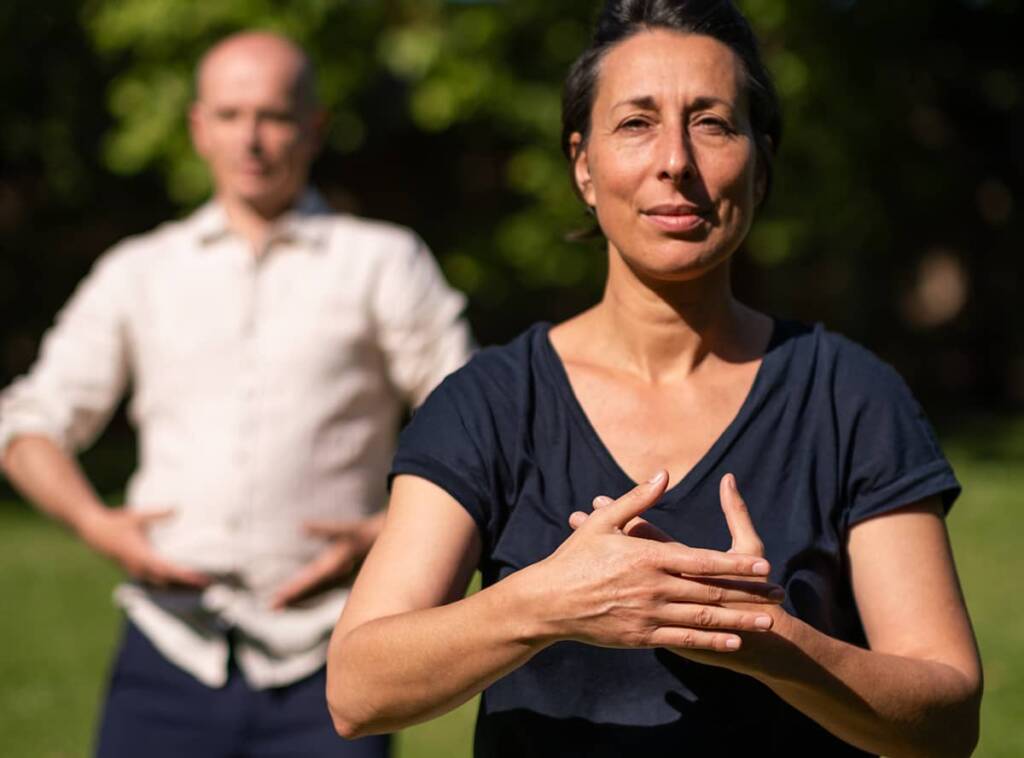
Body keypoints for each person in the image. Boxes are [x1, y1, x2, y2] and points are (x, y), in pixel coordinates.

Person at [325, 1, 982, 755]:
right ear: (583, 165)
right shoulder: (492, 402)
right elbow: (357, 689)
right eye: (636, 123)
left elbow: (949, 720)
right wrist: (551, 602)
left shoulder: (851, 396)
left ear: (760, 165)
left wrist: (770, 641)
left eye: (712, 123)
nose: (676, 160)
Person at [0, 31, 471, 758]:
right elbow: (28, 422)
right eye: (228, 115)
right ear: (198, 129)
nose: (251, 139)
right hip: (167, 650)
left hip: (334, 658)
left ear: (313, 128)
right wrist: (97, 524)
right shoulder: (140, 272)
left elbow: (472, 426)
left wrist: (388, 534)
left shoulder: (382, 261)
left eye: (274, 116)